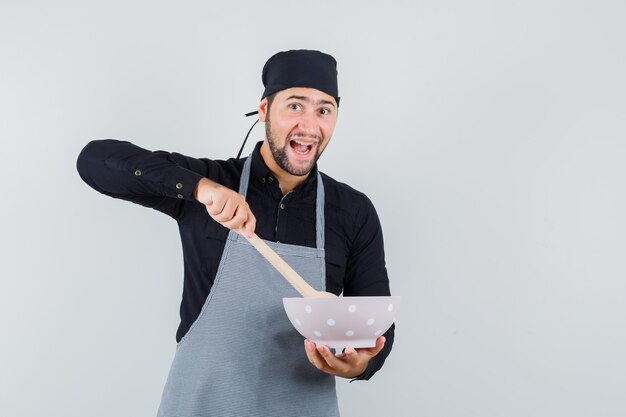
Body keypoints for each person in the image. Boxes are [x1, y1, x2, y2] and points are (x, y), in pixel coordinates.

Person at [77, 49, 395, 417]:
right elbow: (95, 161)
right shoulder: (211, 184)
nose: (309, 125)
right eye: (295, 106)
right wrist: (200, 189)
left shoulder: (353, 211)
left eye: (324, 110)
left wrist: (359, 365)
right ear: (264, 111)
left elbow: (375, 329)